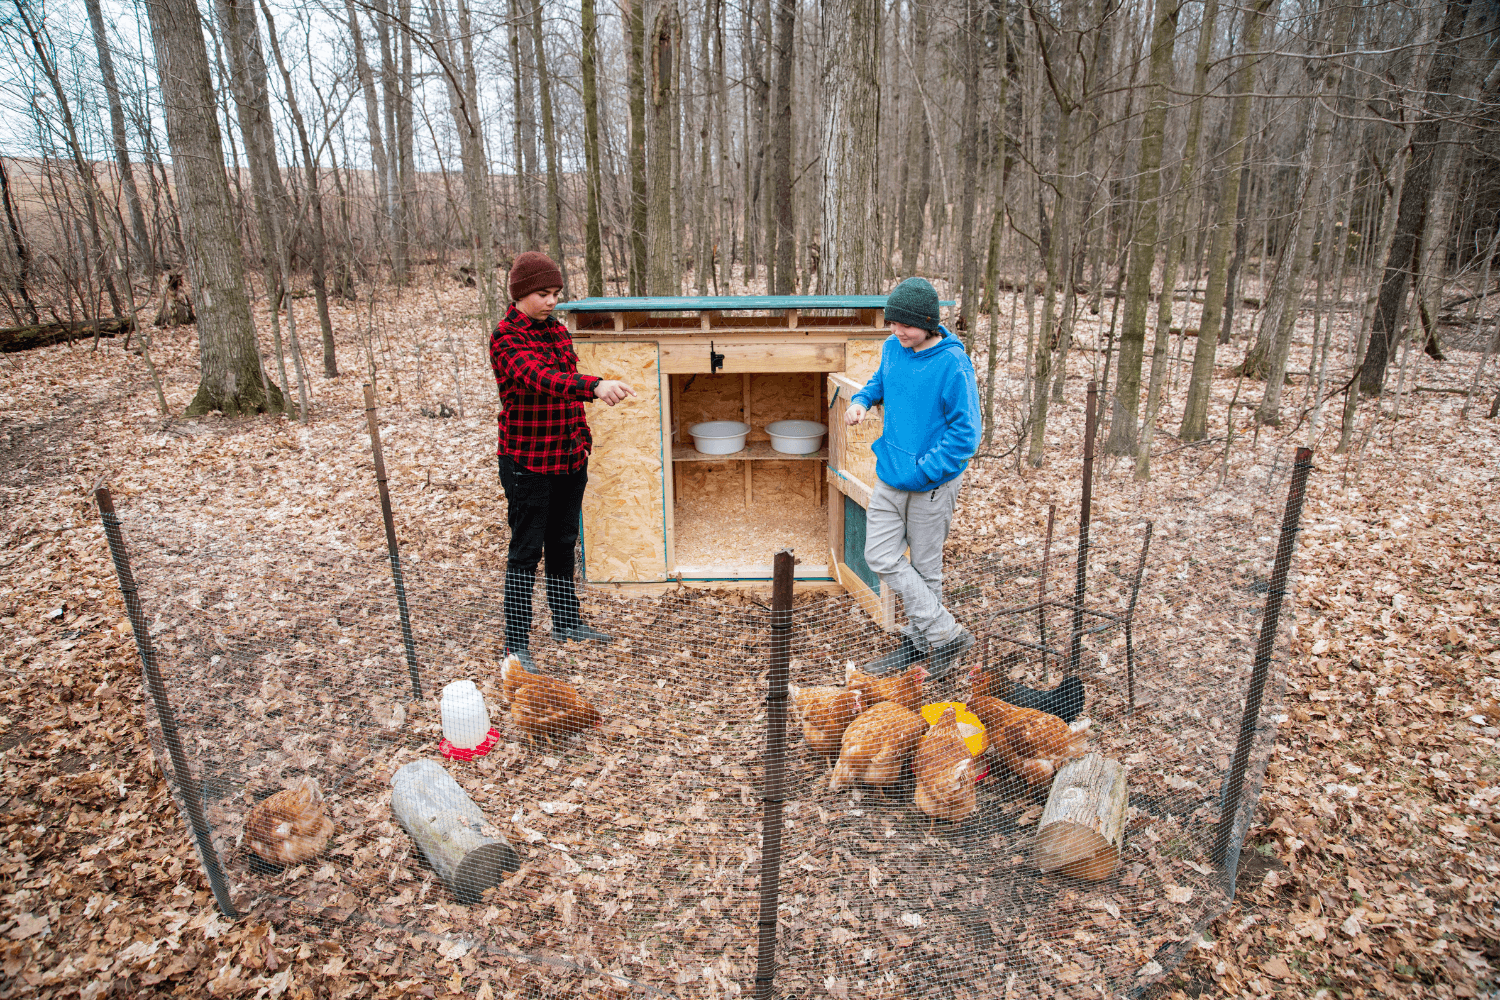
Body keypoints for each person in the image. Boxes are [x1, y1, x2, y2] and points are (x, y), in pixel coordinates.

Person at [490, 251, 636, 671]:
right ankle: (515, 644)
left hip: (569, 456)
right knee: (525, 551)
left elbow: (564, 387)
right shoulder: (506, 337)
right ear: (519, 294)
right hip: (527, 463)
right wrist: (595, 386)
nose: (552, 301)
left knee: (561, 543)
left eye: (555, 293)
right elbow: (543, 380)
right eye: (542, 293)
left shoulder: (556, 331)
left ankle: (566, 622)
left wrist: (582, 439)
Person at [845, 277, 981, 679]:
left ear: (929, 324)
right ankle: (946, 635)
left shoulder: (953, 364)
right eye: (892, 324)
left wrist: (925, 470)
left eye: (904, 326)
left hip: (932, 483)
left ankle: (921, 645)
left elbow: (966, 435)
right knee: (880, 556)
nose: (896, 332)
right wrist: (861, 401)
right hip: (891, 474)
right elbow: (880, 382)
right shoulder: (893, 349)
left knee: (925, 568)